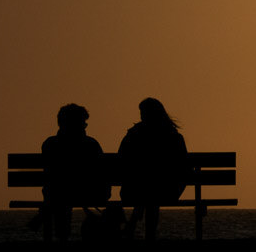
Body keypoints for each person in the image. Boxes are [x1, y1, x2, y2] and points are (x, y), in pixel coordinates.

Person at [118, 97, 189, 241]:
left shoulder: (134, 134)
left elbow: (121, 158)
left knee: (148, 188)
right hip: (168, 191)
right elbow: (184, 166)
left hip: (134, 191)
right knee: (151, 191)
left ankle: (131, 226)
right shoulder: (173, 136)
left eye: (142, 112)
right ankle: (149, 236)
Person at [40, 103, 110, 242]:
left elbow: (50, 175)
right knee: (63, 195)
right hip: (90, 193)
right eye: (84, 123)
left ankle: (61, 238)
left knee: (59, 195)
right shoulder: (91, 144)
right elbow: (103, 172)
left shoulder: (50, 144)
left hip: (57, 194)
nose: (85, 126)